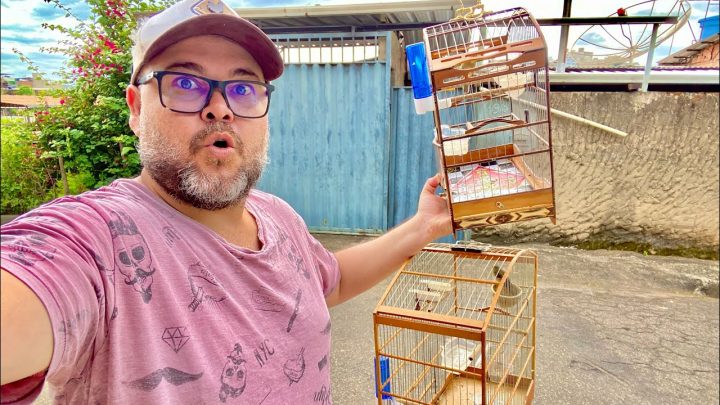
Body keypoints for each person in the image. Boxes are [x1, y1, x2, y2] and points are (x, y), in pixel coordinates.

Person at [0, 0, 452, 403]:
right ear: (136, 109)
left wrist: (423, 225)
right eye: (185, 82)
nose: (221, 108)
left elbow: (329, 284)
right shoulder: (96, 240)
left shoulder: (276, 214)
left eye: (242, 88)